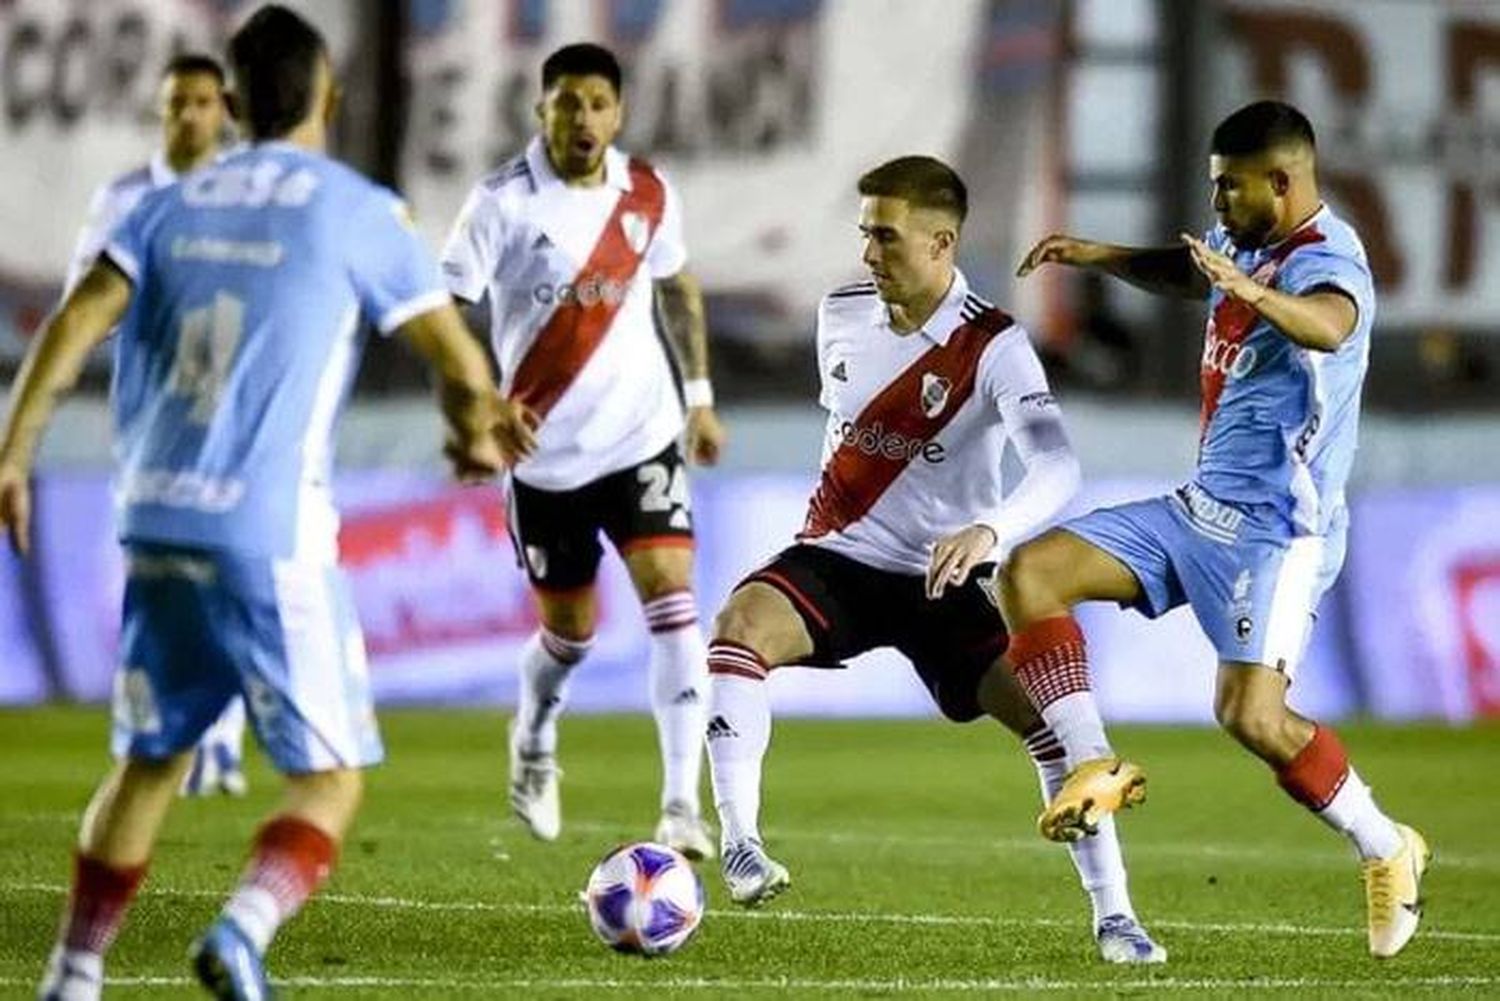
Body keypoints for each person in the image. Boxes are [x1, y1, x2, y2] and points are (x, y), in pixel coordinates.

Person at [7, 8, 508, 998]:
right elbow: (457, 361)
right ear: (329, 95)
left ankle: (73, 973)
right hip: (266, 531)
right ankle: (241, 930)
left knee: (151, 755)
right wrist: (470, 428)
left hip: (151, 518)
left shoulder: (163, 205)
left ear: (230, 105)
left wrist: (15, 449)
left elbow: (74, 323)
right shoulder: (358, 209)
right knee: (329, 777)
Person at [702, 155, 1166, 964]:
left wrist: (989, 530)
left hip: (946, 578)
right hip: (839, 560)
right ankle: (740, 842)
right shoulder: (841, 311)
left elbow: (1058, 467)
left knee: (1050, 725)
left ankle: (1116, 915)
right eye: (864, 235)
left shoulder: (994, 346)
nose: (868, 253)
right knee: (738, 627)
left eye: (885, 236)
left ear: (941, 241)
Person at [1007, 100, 1426, 959]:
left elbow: (1331, 323)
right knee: (1030, 572)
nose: (1221, 204)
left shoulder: (1330, 258)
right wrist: (1099, 257)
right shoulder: (1244, 240)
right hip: (1195, 510)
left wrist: (1252, 291)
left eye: (1231, 188)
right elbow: (1191, 269)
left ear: (1284, 180)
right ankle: (1094, 763)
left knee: (1251, 717)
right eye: (1214, 188)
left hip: (1279, 534)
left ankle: (1386, 845)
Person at [441, 42, 726, 859]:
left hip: (642, 437)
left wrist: (699, 400)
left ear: (619, 113)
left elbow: (676, 285)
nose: (584, 118)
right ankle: (532, 736)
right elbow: (445, 307)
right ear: (542, 111)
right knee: (571, 634)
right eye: (567, 102)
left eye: (599, 102)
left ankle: (681, 805)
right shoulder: (501, 202)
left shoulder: (648, 192)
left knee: (673, 600)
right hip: (545, 459)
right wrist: (481, 407)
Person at [63, 52, 252, 800]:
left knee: (234, 573)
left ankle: (224, 742)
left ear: (225, 110)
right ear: (162, 110)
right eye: (177, 102)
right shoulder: (125, 199)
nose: (189, 116)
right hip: (150, 417)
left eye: (203, 102)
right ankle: (158, 727)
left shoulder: (246, 195)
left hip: (234, 415)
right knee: (160, 582)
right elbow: (89, 305)